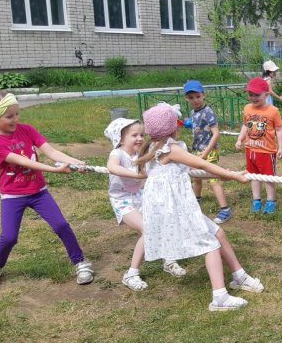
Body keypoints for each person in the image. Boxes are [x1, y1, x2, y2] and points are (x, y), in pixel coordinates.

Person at [138, 103, 264, 311]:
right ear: (173, 128)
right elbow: (202, 164)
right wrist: (232, 175)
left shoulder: (152, 149)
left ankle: (239, 276)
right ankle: (219, 297)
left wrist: (225, 175)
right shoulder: (171, 149)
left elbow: (187, 173)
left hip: (175, 208)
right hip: (177, 211)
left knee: (218, 233)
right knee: (210, 244)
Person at [0, 90, 94, 288]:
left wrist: (76, 162)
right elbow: (24, 161)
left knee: (61, 225)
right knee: (9, 237)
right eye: (9, 116)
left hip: (38, 192)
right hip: (12, 196)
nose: (16, 119)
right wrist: (55, 170)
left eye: (17, 113)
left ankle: (80, 262)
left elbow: (51, 151)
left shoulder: (27, 130)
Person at [104, 118, 186, 291]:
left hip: (141, 195)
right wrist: (137, 175)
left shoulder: (142, 153)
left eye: (141, 134)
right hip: (122, 200)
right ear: (120, 139)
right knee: (148, 229)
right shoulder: (117, 153)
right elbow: (112, 167)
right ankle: (131, 273)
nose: (140, 138)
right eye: (134, 135)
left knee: (165, 222)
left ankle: (168, 259)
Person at [183, 80, 232, 224]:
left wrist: (205, 153)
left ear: (203, 95)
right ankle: (195, 202)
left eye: (198, 96)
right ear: (186, 98)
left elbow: (216, 134)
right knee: (196, 178)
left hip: (209, 151)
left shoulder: (208, 111)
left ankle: (225, 209)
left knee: (213, 179)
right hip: (196, 150)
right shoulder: (193, 112)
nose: (195, 100)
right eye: (191, 97)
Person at [236, 77, 282, 214]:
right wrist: (240, 139)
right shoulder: (247, 108)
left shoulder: (273, 111)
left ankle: (270, 201)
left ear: (267, 94)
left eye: (257, 94)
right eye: (250, 94)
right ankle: (256, 200)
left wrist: (281, 147)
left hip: (267, 151)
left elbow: (279, 129)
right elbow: (245, 125)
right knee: (253, 176)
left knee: (268, 177)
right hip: (250, 149)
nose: (253, 97)